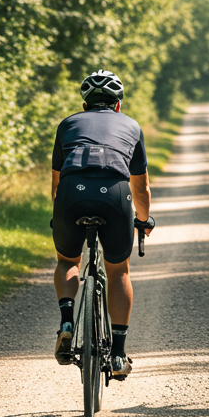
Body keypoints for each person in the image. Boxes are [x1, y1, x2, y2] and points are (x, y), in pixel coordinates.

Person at [50, 70, 154, 378]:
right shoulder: (132, 126)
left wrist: (59, 216)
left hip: (71, 195)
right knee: (118, 269)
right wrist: (144, 220)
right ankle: (119, 355)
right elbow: (141, 187)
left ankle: (67, 322)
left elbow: (56, 183)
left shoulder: (67, 124)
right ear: (118, 105)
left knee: (68, 260)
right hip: (114, 196)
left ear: (84, 105)